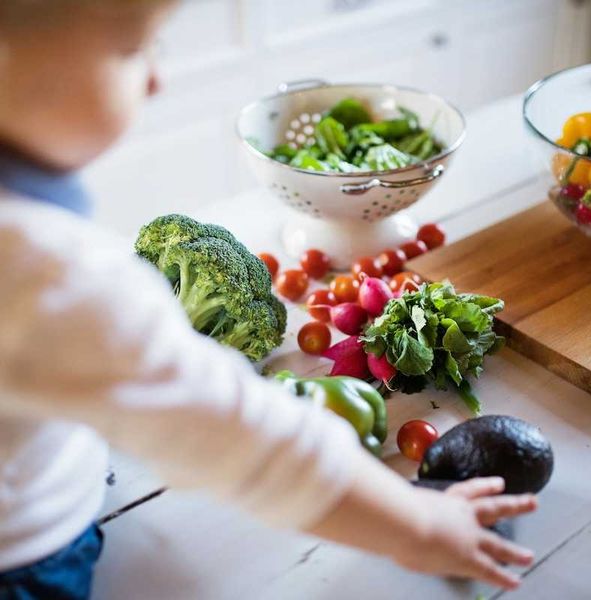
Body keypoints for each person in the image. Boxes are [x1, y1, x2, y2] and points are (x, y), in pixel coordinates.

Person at [0, 1, 537, 598]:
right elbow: (241, 438)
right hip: (29, 558)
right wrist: (420, 525)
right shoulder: (48, 274)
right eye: (131, 50)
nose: (156, 78)